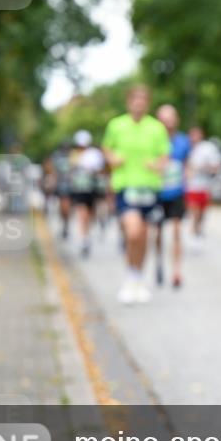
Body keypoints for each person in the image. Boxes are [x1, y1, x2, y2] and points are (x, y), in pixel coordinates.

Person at [102, 85, 170, 305]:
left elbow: (165, 157)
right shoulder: (117, 125)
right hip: (126, 186)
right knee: (133, 233)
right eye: (135, 99)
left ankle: (138, 278)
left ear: (147, 103)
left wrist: (157, 165)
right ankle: (131, 277)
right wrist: (112, 159)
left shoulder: (157, 128)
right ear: (129, 102)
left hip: (150, 188)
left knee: (144, 236)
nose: (139, 103)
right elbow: (106, 148)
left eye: (143, 99)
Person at [153, 104, 190, 288]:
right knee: (158, 232)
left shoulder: (183, 141)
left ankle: (176, 270)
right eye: (163, 118)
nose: (167, 122)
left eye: (170, 118)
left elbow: (187, 164)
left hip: (176, 193)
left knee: (176, 230)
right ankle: (159, 262)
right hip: (157, 193)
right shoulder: (152, 140)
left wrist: (187, 182)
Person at [68, 130, 106, 258]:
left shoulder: (94, 154)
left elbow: (100, 169)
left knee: (90, 214)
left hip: (92, 189)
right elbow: (70, 170)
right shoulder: (74, 155)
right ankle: (84, 238)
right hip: (79, 189)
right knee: (82, 213)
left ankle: (87, 234)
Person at [184, 126, 221, 239]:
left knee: (201, 212)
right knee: (194, 210)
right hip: (191, 186)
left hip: (204, 186)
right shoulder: (187, 148)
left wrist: (205, 167)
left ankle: (198, 228)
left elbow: (216, 166)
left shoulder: (207, 148)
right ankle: (193, 228)